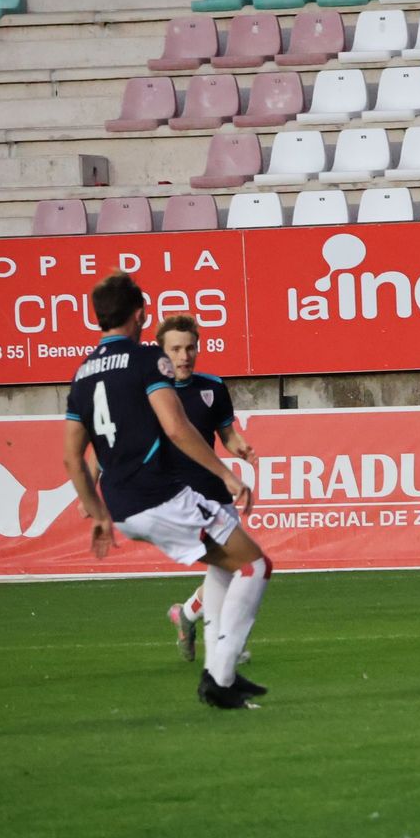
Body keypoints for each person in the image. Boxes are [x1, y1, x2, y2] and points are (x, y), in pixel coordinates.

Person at [63, 272, 271, 709]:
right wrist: (229, 475)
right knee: (255, 566)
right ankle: (221, 678)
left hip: (122, 506)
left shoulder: (82, 373)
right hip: (160, 495)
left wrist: (97, 512)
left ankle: (219, 668)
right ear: (141, 313)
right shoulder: (145, 360)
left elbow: (72, 458)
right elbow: (176, 428)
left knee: (223, 567)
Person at [152, 314, 259, 667]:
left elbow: (226, 433)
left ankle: (187, 615)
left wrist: (238, 445)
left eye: (190, 348)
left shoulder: (212, 387)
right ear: (162, 353)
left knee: (228, 570)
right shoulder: (149, 395)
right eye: (176, 349)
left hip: (215, 492)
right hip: (179, 499)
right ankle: (224, 645)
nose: (184, 356)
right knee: (236, 568)